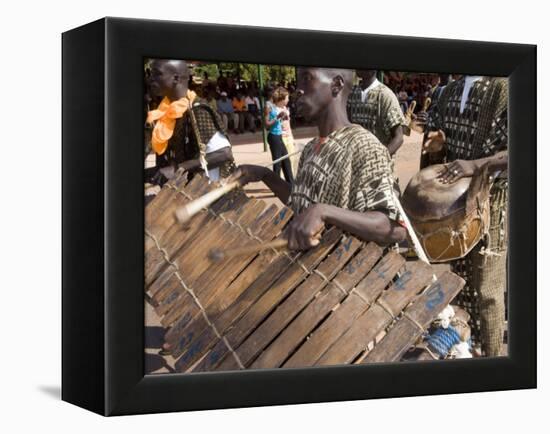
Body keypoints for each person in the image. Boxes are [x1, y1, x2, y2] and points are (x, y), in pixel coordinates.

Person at [233, 67, 407, 251]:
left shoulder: (365, 146)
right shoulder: (310, 148)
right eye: (298, 82)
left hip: (346, 274)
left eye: (307, 79)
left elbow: (394, 229)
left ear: (336, 84)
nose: (298, 90)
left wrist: (324, 211)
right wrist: (265, 175)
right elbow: (301, 203)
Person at [417, 75, 508, 357]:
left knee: (488, 291)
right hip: (453, 207)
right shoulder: (447, 92)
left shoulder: (503, 88)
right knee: (460, 286)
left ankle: (494, 368)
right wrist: (437, 146)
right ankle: (466, 353)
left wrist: (473, 164)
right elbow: (438, 150)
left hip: (490, 204)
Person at [145, 59, 234, 186]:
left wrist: (178, 168)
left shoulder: (198, 110)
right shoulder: (163, 112)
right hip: (180, 189)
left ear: (175, 78)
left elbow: (224, 154)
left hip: (204, 191)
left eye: (156, 74)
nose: (150, 79)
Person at [347, 70, 407, 156]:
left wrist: (380, 158)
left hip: (377, 163)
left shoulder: (385, 95)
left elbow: (399, 137)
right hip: (356, 158)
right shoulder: (352, 93)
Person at [264, 87, 294, 183]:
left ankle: (291, 184)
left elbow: (283, 122)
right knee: (277, 163)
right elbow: (267, 125)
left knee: (286, 161)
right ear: (282, 99)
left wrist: (283, 117)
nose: (288, 100)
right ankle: (276, 187)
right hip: (273, 137)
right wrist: (278, 117)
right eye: (287, 98)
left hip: (279, 136)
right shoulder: (269, 107)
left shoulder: (282, 108)